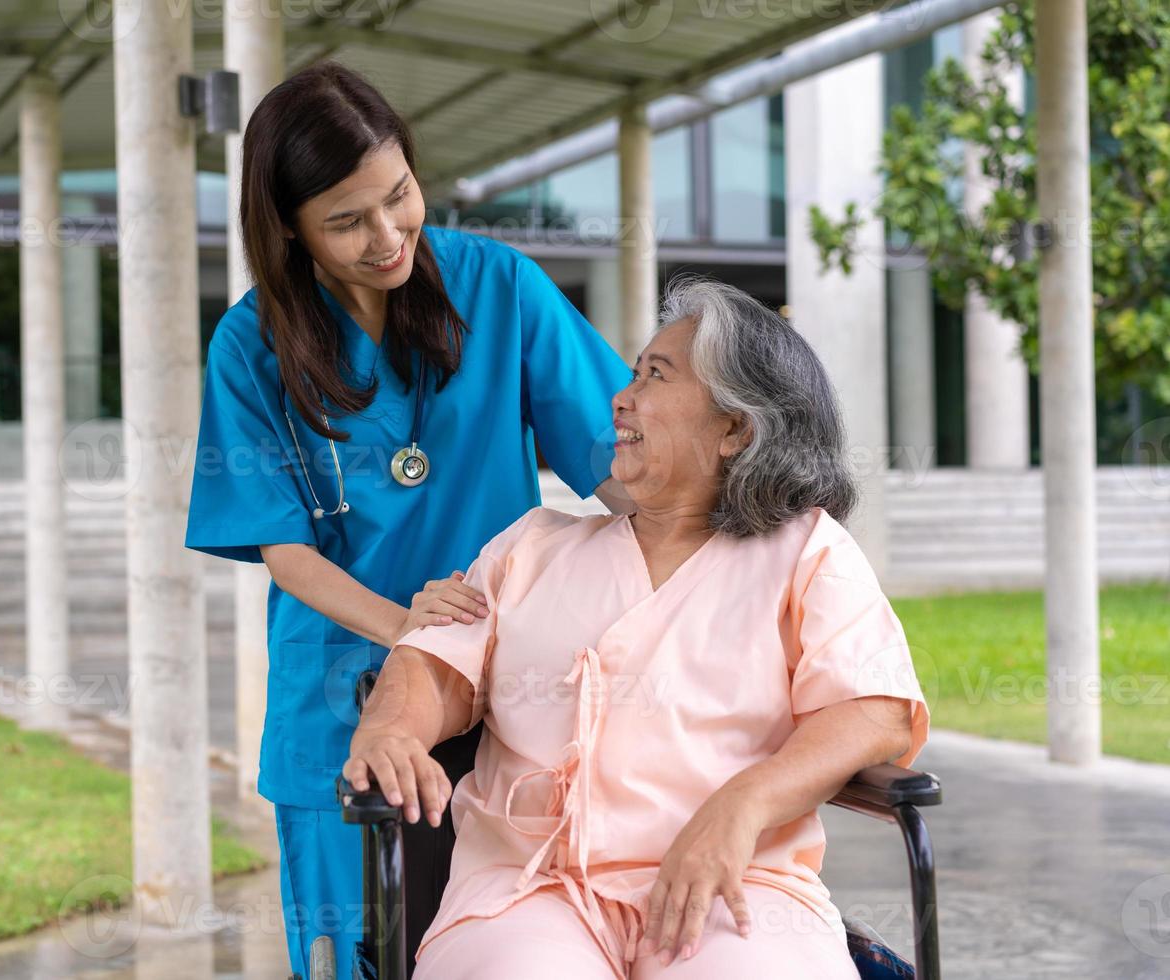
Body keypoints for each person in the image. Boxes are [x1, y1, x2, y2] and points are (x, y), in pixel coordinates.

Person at [183, 61, 634, 979]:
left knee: (509, 944)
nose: (387, 235)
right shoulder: (250, 346)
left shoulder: (501, 287)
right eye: (347, 221)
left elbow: (625, 470)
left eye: (399, 195)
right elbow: (288, 554)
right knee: (360, 954)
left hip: (507, 704)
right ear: (290, 231)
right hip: (334, 705)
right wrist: (412, 632)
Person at [342, 277, 931, 978]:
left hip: (735, 887)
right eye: (631, 374)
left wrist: (742, 804)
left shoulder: (806, 550)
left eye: (656, 375)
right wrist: (389, 730)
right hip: (530, 891)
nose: (622, 397)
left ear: (735, 427)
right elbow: (434, 666)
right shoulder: (532, 545)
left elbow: (874, 710)